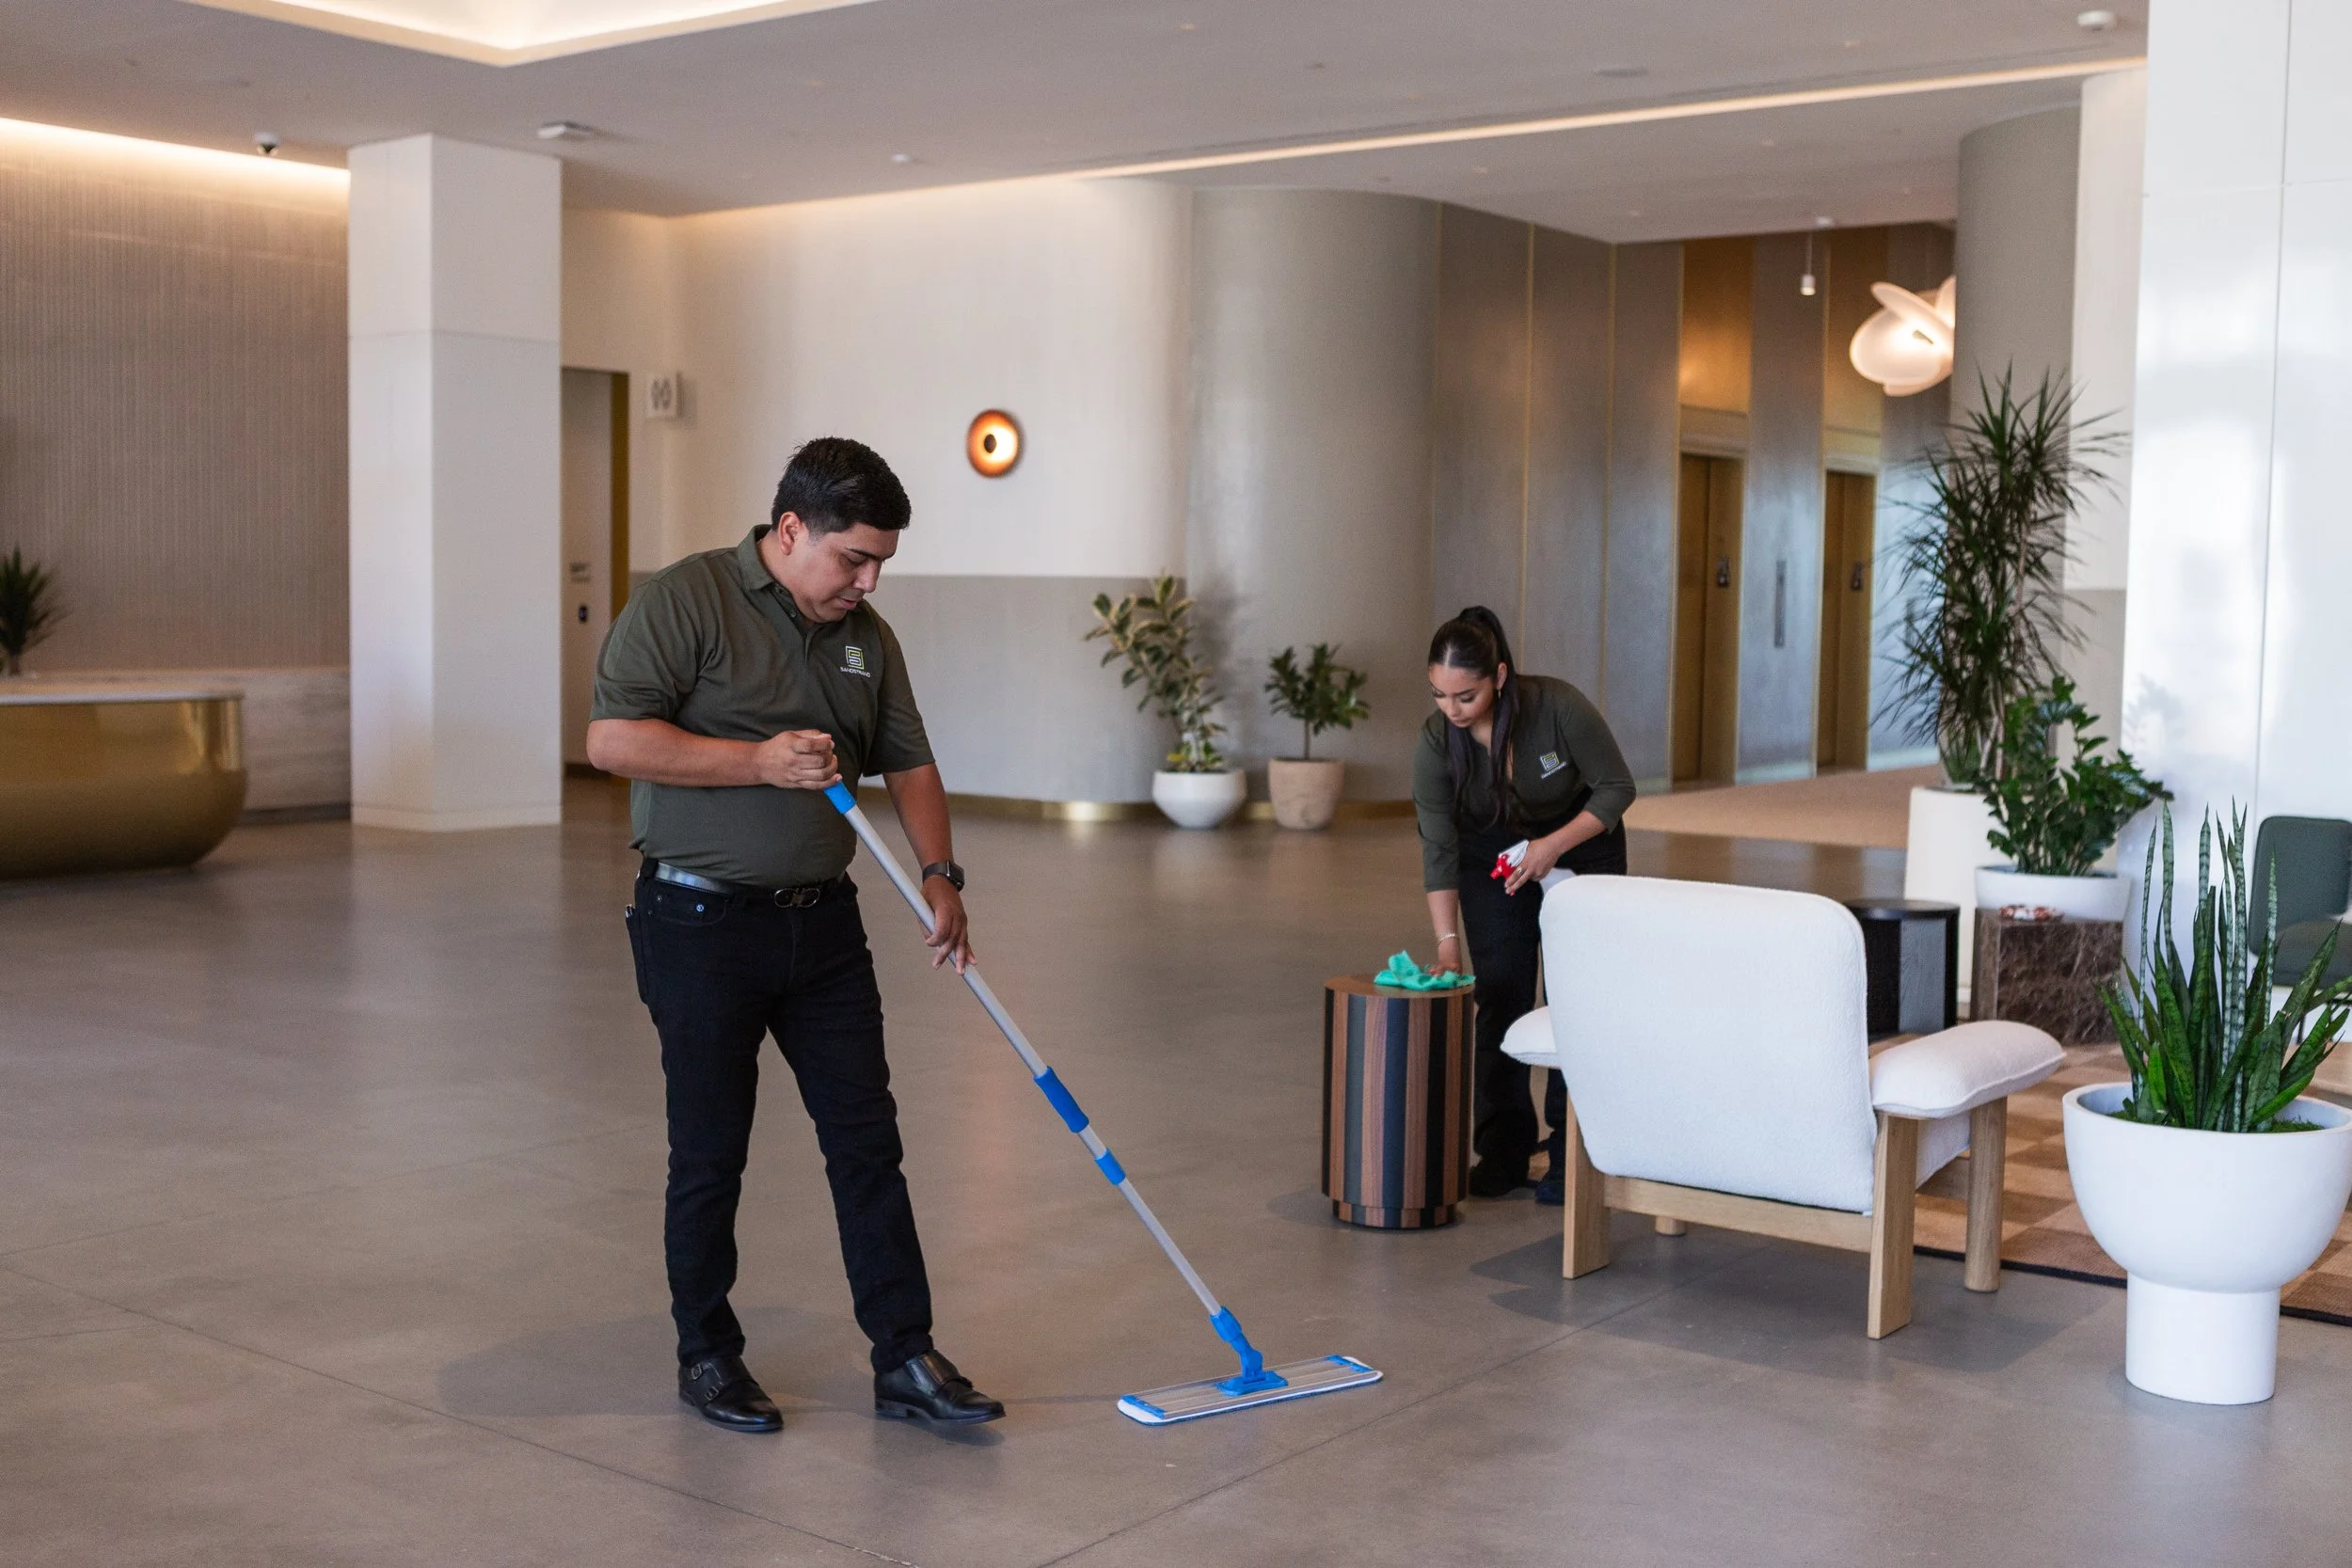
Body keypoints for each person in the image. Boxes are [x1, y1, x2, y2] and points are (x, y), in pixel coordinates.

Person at [585, 436, 1003, 1434]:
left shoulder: (868, 638)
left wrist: (939, 874)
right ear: (788, 531)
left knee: (867, 1141)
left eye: (880, 565)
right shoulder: (688, 599)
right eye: (851, 558)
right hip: (697, 922)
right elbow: (611, 738)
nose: (864, 581)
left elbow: (909, 763)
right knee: (711, 1150)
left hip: (824, 925)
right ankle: (707, 1353)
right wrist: (756, 761)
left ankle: (903, 1352)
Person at [1413, 607, 1636, 1204]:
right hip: (1494, 852)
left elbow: (1618, 787)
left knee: (1574, 999)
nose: (1452, 709)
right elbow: (1439, 844)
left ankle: (1571, 1153)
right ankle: (1504, 1149)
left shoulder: (1557, 707)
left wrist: (1551, 849)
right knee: (1504, 990)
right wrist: (1446, 944)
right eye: (1440, 695)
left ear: (1501, 676)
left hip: (1580, 841)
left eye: (1466, 695)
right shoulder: (1437, 741)